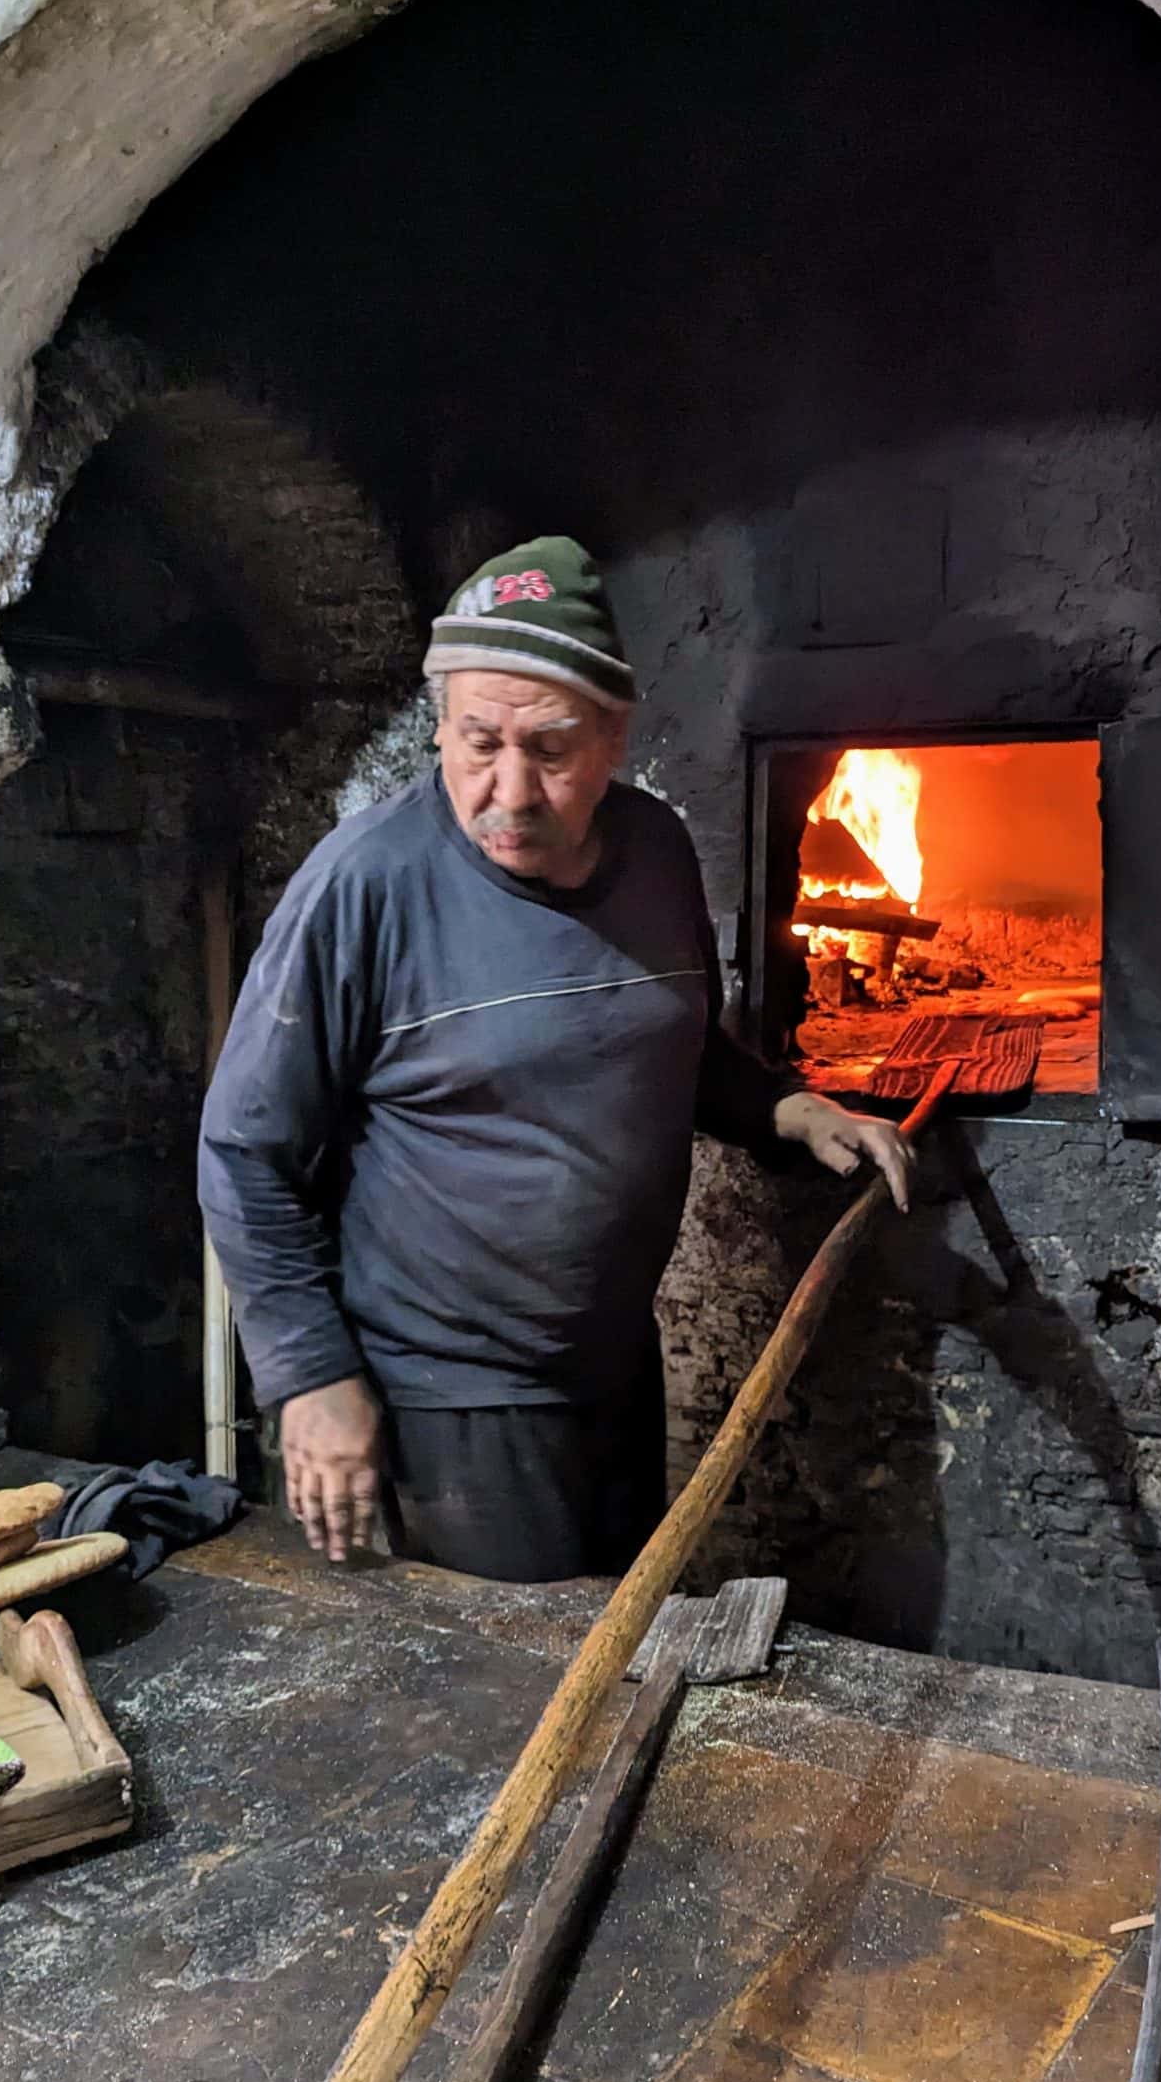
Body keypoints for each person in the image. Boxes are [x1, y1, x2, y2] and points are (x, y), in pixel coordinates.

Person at [199, 535, 913, 1580]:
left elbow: (659, 1043)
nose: (511, 790)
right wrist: (310, 1380)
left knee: (608, 1648)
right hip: (446, 1398)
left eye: (550, 747)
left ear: (615, 735)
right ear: (439, 725)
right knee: (510, 1700)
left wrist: (791, 1110)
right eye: (477, 742)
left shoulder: (658, 852)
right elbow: (243, 1152)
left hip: (610, 1367)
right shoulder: (366, 884)